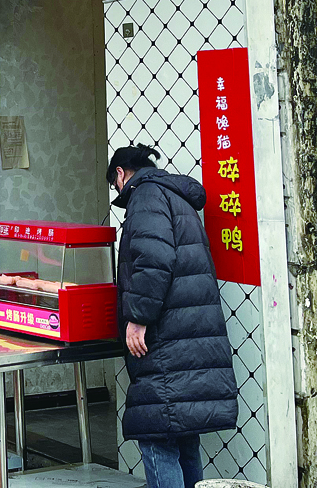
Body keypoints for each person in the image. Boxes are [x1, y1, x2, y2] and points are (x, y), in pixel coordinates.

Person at [108, 144, 237, 488]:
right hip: (189, 335)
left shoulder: (146, 196)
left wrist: (138, 317)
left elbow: (154, 261)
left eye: (114, 184)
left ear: (120, 173)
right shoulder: (175, 195)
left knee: (157, 437)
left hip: (165, 339)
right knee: (183, 436)